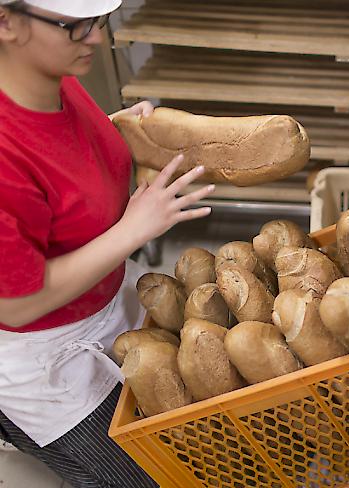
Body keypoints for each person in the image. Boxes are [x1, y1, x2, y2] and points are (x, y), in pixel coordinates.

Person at [0, 1, 215, 486]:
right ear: (6, 21)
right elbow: (14, 305)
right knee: (159, 478)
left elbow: (55, 157)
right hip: (45, 355)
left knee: (208, 436)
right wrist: (132, 231)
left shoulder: (50, 75)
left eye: (97, 21)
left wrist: (117, 133)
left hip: (108, 298)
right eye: (74, 26)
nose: (95, 38)